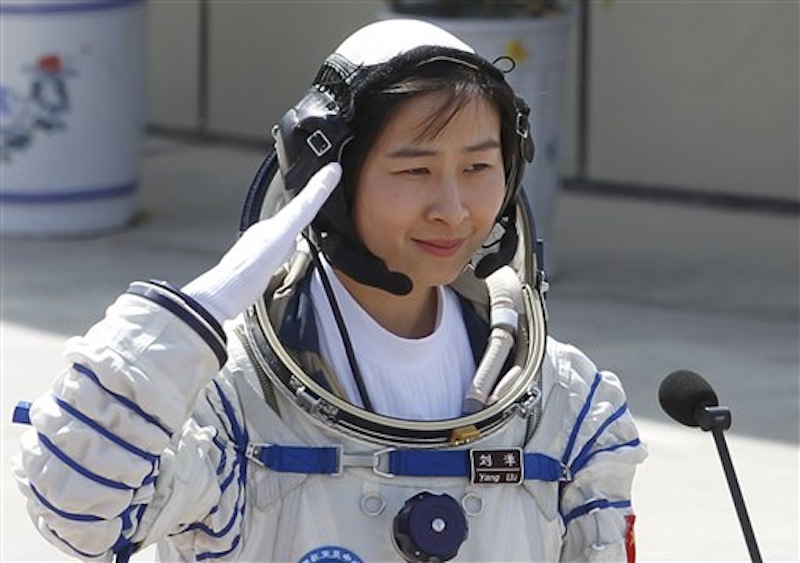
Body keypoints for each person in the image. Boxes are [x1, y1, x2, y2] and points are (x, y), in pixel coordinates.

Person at [12, 19, 646, 563]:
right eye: (416, 170)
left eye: (479, 167)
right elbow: (77, 508)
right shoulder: (231, 399)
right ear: (331, 180)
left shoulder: (565, 409)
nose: (452, 209)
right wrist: (191, 316)